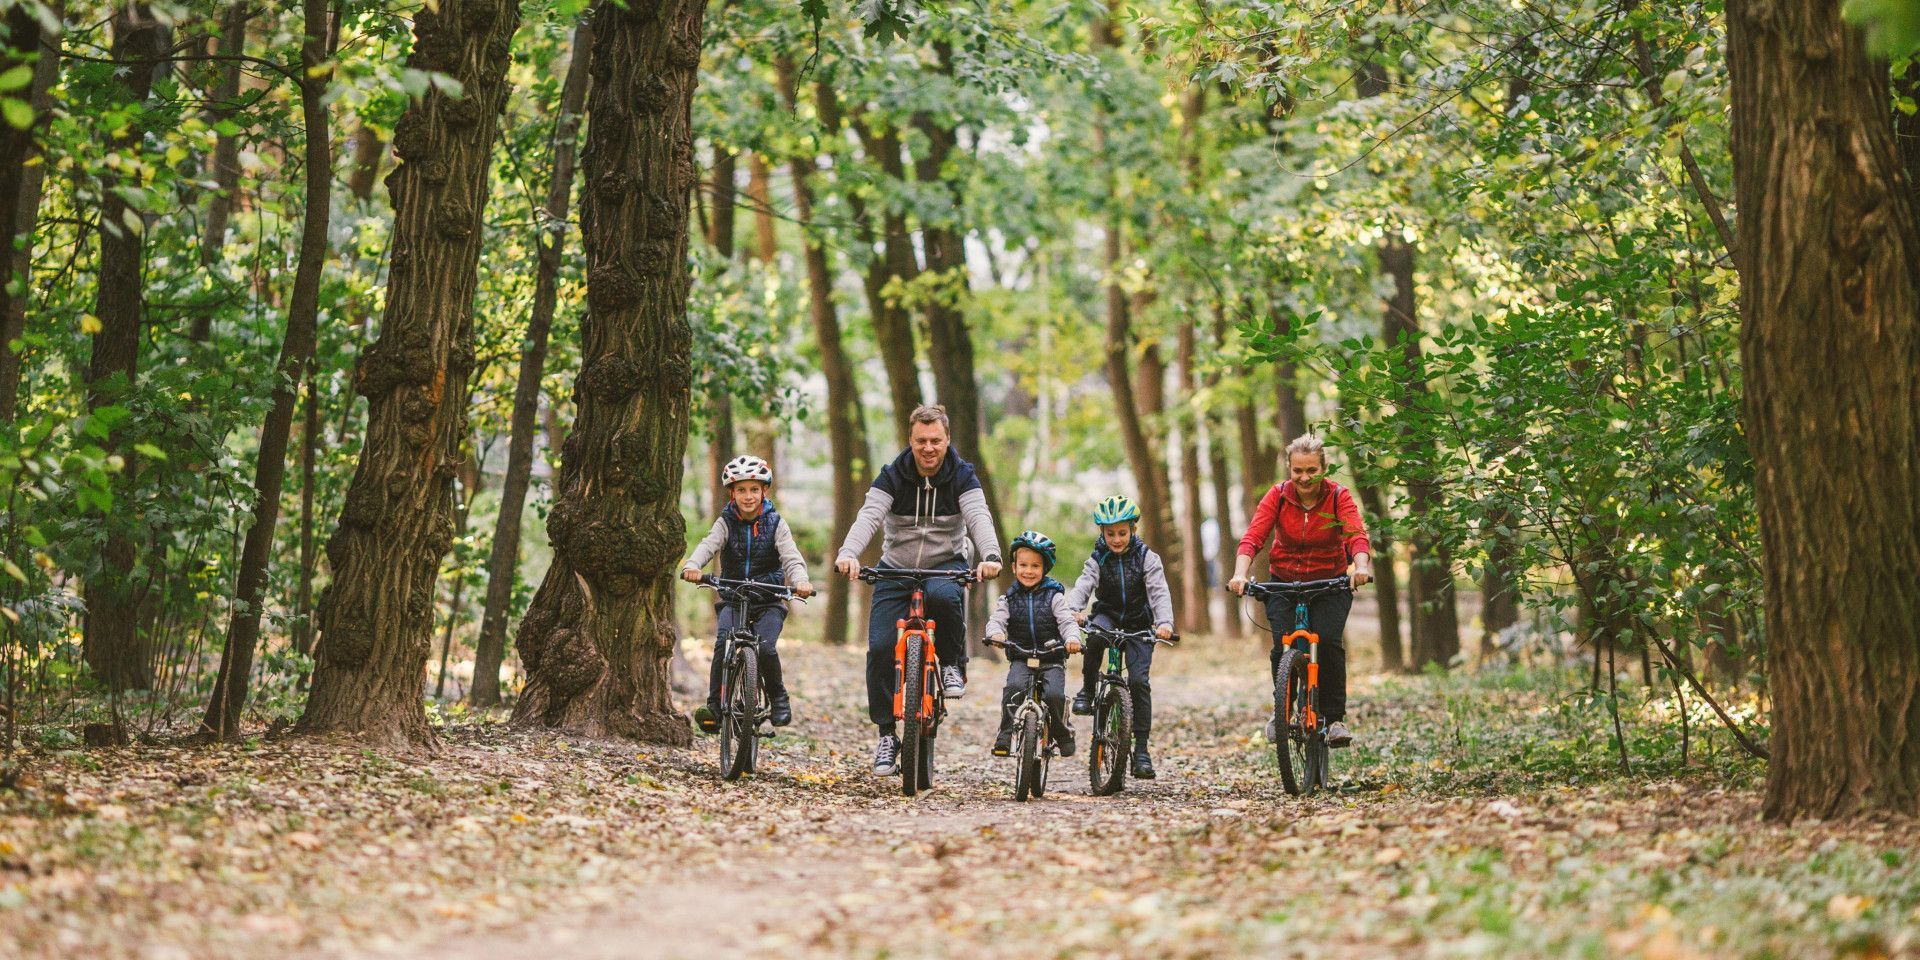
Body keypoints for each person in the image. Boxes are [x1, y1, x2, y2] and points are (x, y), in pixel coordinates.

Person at [835, 404, 1003, 776]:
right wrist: (848, 552)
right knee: (879, 648)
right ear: (910, 440)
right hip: (896, 567)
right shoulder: (892, 475)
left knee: (944, 596)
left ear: (947, 440)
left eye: (936, 441)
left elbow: (978, 517)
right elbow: (869, 516)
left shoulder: (962, 476)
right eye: (921, 441)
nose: (928, 448)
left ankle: (953, 665)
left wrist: (990, 554)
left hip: (947, 563)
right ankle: (885, 734)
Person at [1228, 433, 1374, 748]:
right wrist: (1240, 574)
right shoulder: (1278, 496)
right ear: (1289, 469)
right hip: (1283, 581)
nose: (1304, 478)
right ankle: (1283, 710)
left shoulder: (1338, 497)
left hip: (1329, 583)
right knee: (1283, 646)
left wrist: (1360, 566)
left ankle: (1334, 719)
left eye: (1312, 470)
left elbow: (1355, 535)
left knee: (1328, 644)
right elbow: (1254, 536)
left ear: (1324, 468)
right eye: (1298, 471)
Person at [681, 456, 815, 732]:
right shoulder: (726, 522)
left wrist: (800, 580)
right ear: (732, 493)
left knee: (766, 647)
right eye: (741, 490)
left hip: (768, 599)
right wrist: (694, 565)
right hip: (733, 596)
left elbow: (791, 557)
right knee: (723, 643)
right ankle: (715, 707)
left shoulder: (776, 523)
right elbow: (709, 545)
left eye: (754, 489)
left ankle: (779, 698)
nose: (748, 496)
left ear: (764, 491)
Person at [1065, 495, 1174, 780]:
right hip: (1109, 614)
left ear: (1133, 531)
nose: (1116, 539)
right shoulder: (1098, 558)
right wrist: (1074, 609)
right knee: (1096, 636)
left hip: (1140, 622)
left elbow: (1159, 591)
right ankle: (1088, 690)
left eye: (1122, 533)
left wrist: (1163, 622)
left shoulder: (1147, 558)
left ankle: (1140, 750)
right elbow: (1083, 585)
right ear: (1102, 533)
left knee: (1139, 681)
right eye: (1110, 533)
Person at [986, 531, 1082, 758]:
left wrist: (1072, 639)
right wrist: (996, 634)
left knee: (1054, 695)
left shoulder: (1054, 596)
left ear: (1044, 568)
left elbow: (1067, 621)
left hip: (1051, 656)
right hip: (1021, 655)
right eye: (1023, 565)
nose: (1028, 571)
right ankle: (1006, 733)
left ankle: (1061, 730)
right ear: (1014, 566)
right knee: (1014, 689)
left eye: (1035, 566)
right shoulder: (1008, 598)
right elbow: (996, 621)